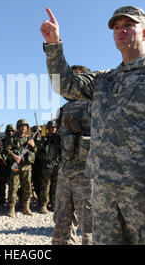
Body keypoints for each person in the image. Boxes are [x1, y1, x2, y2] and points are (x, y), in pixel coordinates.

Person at [41, 5, 145, 244]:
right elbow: (63, 86)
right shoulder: (104, 79)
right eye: (117, 27)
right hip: (106, 203)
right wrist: (54, 46)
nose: (121, 30)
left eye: (128, 25)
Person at [52, 65, 93, 245]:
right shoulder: (62, 110)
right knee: (61, 221)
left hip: (87, 175)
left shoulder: (94, 107)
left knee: (90, 225)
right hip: (64, 173)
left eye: (74, 79)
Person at [6, 119, 36, 218]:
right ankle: (11, 208)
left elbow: (36, 151)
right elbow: (7, 150)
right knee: (13, 187)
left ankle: (26, 207)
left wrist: (33, 145)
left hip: (27, 167)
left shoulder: (29, 138)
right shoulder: (12, 138)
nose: (23, 128)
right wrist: (14, 156)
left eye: (25, 126)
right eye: (22, 126)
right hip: (16, 167)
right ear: (18, 127)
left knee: (27, 187)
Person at [38, 120, 61, 214]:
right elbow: (39, 153)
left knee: (55, 185)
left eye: (54, 128)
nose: (53, 130)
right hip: (47, 165)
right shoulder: (44, 140)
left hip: (57, 164)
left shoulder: (59, 140)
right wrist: (46, 159)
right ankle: (44, 204)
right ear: (48, 129)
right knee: (45, 185)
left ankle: (54, 203)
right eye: (51, 128)